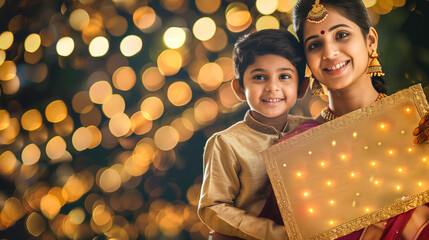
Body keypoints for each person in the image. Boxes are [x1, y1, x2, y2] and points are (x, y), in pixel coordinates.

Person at [261, 0, 429, 239]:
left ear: (370, 40)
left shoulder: (418, 123)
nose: (329, 53)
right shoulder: (294, 153)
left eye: (341, 35)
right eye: (315, 44)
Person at [197, 29, 311, 240]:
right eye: (259, 77)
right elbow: (213, 207)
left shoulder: (312, 130)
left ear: (302, 87)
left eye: (284, 76)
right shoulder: (226, 143)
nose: (272, 87)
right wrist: (276, 235)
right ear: (240, 89)